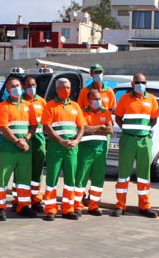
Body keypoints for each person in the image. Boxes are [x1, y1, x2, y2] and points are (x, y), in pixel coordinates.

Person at [113, 74, 159, 218]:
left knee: (144, 175)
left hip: (144, 141)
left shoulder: (151, 99)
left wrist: (143, 131)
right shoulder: (125, 98)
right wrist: (128, 130)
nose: (140, 84)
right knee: (123, 174)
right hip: (128, 139)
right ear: (132, 84)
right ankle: (120, 206)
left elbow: (154, 119)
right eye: (137, 82)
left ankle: (145, 206)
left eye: (143, 82)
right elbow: (118, 117)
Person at [40, 78, 86, 221]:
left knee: (70, 180)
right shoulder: (50, 106)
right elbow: (46, 127)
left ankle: (68, 209)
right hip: (56, 147)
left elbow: (81, 127)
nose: (66, 90)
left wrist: (77, 141)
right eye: (63, 87)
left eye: (68, 87)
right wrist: (61, 141)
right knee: (52, 179)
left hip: (72, 148)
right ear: (57, 89)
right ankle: (50, 209)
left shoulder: (75, 106)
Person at [0, 76, 37, 221]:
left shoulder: (28, 105)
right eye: (12, 86)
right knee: (3, 179)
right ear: (7, 90)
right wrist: (17, 141)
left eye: (17, 85)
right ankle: (0, 208)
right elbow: (3, 127)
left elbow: (33, 125)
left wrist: (26, 139)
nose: (16, 88)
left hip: (25, 148)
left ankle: (23, 206)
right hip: (9, 149)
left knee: (24, 179)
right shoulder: (3, 106)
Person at [75, 88, 113, 216]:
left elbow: (110, 130)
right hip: (85, 149)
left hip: (100, 150)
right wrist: (100, 126)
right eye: (95, 99)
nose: (98, 101)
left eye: (99, 99)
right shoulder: (82, 112)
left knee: (98, 179)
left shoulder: (105, 112)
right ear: (89, 101)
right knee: (81, 177)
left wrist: (93, 129)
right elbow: (84, 129)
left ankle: (94, 206)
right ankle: (78, 205)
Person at [22, 75, 46, 211]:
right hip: (24, 139)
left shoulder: (42, 102)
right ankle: (18, 200)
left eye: (34, 85)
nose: (31, 87)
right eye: (29, 85)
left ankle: (36, 200)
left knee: (37, 171)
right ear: (24, 86)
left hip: (38, 139)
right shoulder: (20, 102)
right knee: (22, 170)